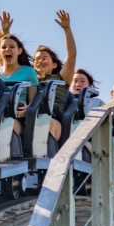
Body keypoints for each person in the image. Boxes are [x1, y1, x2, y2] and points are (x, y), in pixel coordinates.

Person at [30, 10, 77, 141]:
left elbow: (72, 56)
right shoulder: (30, 79)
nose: (40, 61)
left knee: (45, 123)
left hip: (53, 120)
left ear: (54, 64)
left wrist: (67, 29)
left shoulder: (61, 79)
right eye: (36, 59)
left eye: (44, 58)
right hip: (31, 115)